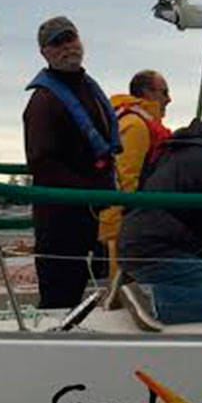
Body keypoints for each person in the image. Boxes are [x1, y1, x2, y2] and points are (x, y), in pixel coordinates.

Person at [21, 16, 120, 309]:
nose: (67, 47)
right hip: (60, 217)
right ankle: (50, 348)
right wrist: (87, 191)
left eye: (70, 39)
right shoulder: (43, 101)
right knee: (59, 297)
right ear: (45, 53)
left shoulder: (88, 88)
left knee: (82, 290)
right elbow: (41, 162)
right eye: (57, 43)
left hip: (90, 213)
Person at [117, 107, 202, 325]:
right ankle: (150, 299)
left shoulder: (171, 151)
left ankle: (130, 284)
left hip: (131, 244)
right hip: (157, 250)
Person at [98, 70, 174, 264]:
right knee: (122, 286)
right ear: (148, 93)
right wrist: (115, 230)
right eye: (164, 92)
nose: (169, 99)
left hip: (132, 225)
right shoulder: (136, 126)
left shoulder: (133, 122)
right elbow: (124, 180)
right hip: (123, 230)